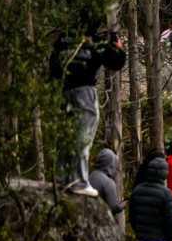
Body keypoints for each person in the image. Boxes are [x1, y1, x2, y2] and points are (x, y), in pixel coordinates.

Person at [49, 15, 127, 196]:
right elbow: (115, 62)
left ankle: (62, 178)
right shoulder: (93, 40)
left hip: (63, 91)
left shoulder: (63, 39)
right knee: (83, 135)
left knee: (65, 135)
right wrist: (117, 45)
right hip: (84, 90)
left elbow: (53, 66)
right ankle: (79, 180)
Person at [129, 153, 172, 241]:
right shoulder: (166, 194)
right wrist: (171, 238)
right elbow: (170, 220)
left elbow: (132, 216)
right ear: (164, 173)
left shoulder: (137, 190)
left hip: (142, 238)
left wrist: (138, 231)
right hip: (158, 239)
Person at [88, 148, 125, 218]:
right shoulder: (108, 182)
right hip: (100, 220)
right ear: (111, 165)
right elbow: (114, 208)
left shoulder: (91, 175)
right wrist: (124, 204)